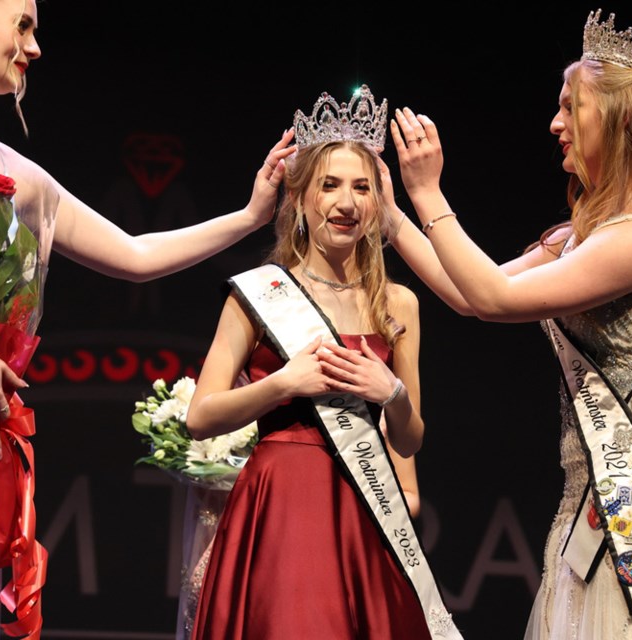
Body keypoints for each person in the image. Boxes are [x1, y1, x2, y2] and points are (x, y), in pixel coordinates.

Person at [0, 0, 293, 637]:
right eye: (22, 25)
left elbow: (135, 255)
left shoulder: (13, 171)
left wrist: (250, 217)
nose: (35, 47)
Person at [386, 9, 632, 638]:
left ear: (619, 122)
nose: (555, 125)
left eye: (570, 108)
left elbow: (492, 298)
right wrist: (389, 215)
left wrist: (428, 192)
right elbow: (468, 293)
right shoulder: (581, 236)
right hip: (598, 491)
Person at [185, 87, 458, 640]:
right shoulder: (258, 294)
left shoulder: (398, 304)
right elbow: (200, 416)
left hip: (364, 510)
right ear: (301, 198)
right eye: (329, 185)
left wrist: (393, 394)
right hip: (279, 503)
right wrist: (283, 383)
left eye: (361, 187)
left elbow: (409, 441)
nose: (346, 202)